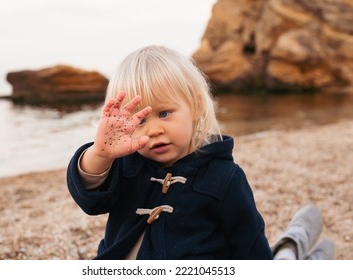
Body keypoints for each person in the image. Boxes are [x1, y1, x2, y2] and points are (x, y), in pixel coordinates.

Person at [66, 45, 334, 260]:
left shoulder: (223, 177)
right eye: (140, 120)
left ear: (194, 106)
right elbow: (92, 202)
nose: (154, 130)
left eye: (164, 113)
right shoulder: (126, 164)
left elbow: (247, 241)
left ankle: (292, 248)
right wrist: (100, 155)